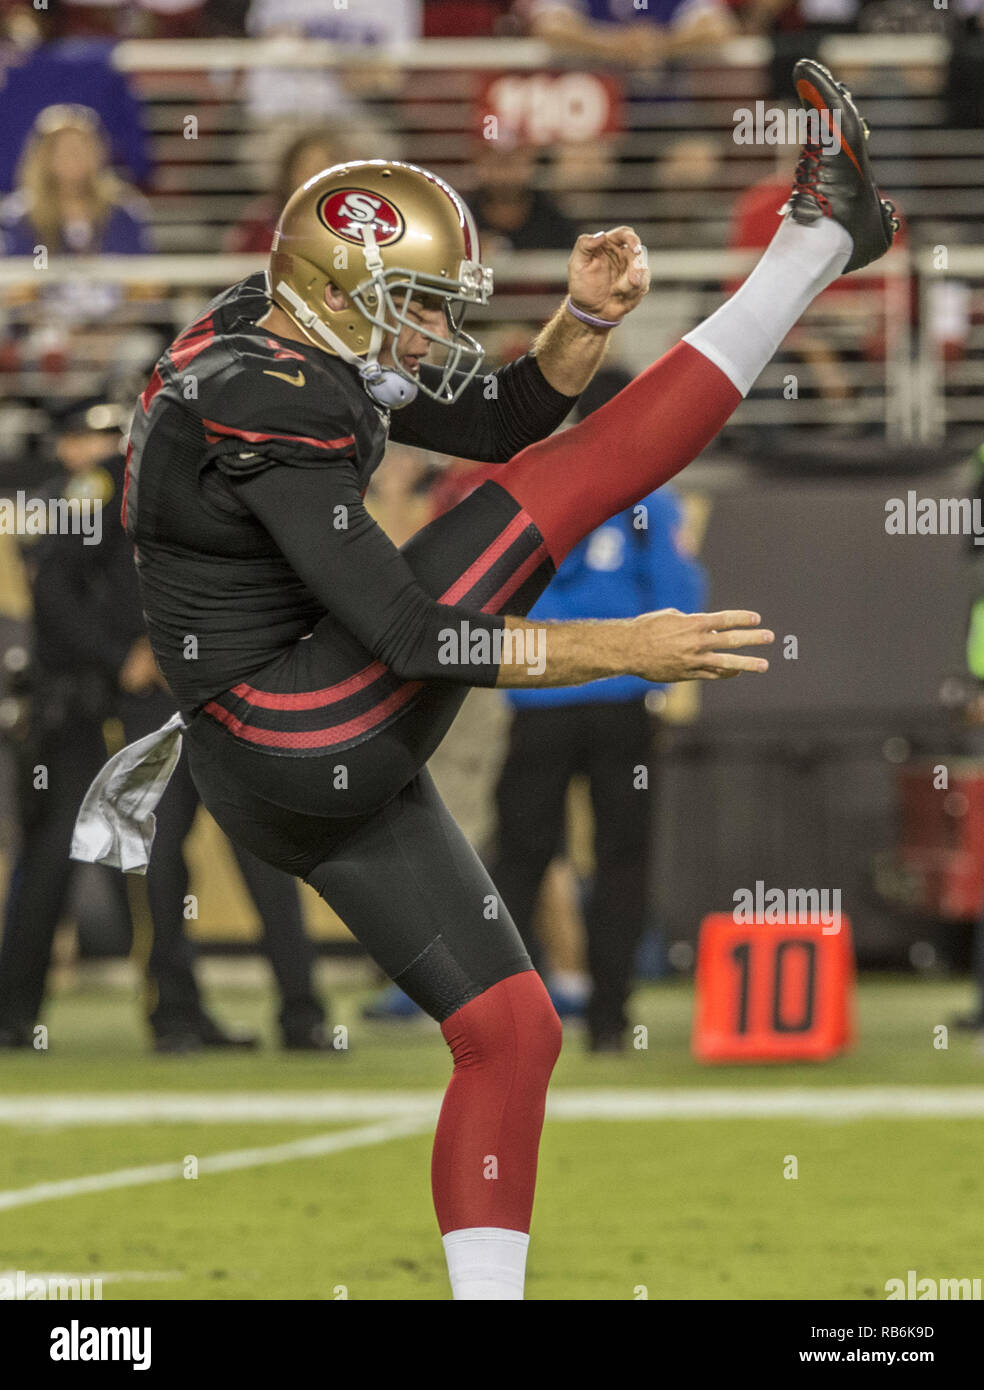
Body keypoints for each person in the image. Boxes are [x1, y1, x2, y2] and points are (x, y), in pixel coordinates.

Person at [74, 63, 897, 1299]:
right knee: (563, 489)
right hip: (289, 723)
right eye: (409, 304)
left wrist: (581, 323)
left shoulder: (284, 327)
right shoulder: (263, 400)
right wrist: (620, 647)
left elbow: (504, 410)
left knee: (513, 1032)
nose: (427, 330)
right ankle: (818, 242)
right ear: (341, 295)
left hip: (290, 743)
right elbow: (410, 636)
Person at [0, 398, 332, 1053]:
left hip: (220, 699)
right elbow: (55, 588)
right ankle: (172, 1013)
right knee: (135, 862)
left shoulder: (227, 484)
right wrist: (123, 651)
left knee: (255, 853)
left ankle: (291, 1013)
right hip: (119, 713)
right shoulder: (110, 487)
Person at [488, 463, 706, 1051]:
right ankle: (609, 1019)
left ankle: (499, 1015)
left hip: (536, 698)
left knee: (517, 861)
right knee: (623, 859)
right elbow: (679, 600)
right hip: (622, 704)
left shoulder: (525, 492)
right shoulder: (651, 503)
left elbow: (483, 595)